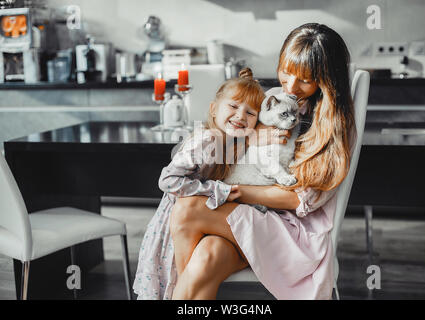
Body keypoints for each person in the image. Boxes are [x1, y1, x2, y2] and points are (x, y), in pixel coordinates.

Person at [168, 23, 356, 300]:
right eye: (286, 72)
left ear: (327, 80)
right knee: (207, 256)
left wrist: (236, 193)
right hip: (251, 220)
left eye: (304, 80)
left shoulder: (329, 126)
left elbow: (299, 200)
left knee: (187, 209)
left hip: (291, 231)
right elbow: (211, 151)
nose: (290, 86)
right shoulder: (271, 101)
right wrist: (249, 139)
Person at [132, 68, 287, 299]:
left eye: (250, 113)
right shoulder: (207, 140)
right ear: (214, 109)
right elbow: (168, 180)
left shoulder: (233, 143)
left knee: (196, 275)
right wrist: (217, 190)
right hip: (181, 224)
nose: (241, 116)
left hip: (203, 221)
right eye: (233, 107)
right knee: (181, 281)